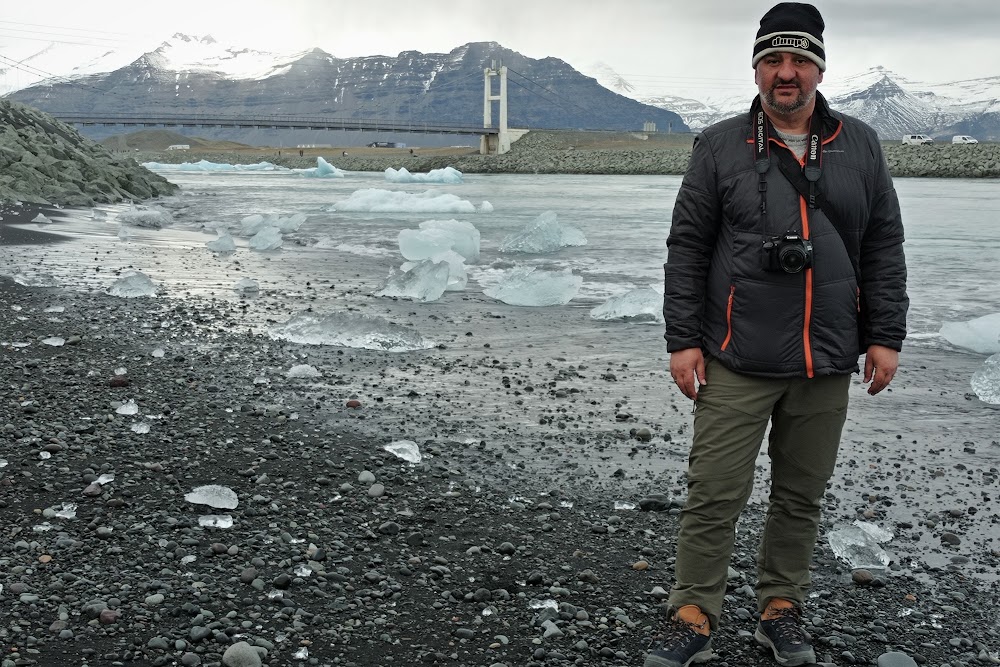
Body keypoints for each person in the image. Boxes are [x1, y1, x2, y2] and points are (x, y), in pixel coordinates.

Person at [647, 3, 908, 667]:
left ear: (819, 67)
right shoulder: (719, 145)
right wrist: (683, 339)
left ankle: (778, 609)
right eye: (773, 59)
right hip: (737, 353)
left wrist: (886, 334)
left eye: (799, 60)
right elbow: (687, 247)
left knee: (801, 494)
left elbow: (882, 244)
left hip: (825, 357)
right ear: (757, 67)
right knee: (714, 492)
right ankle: (693, 612)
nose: (785, 73)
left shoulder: (861, 144)